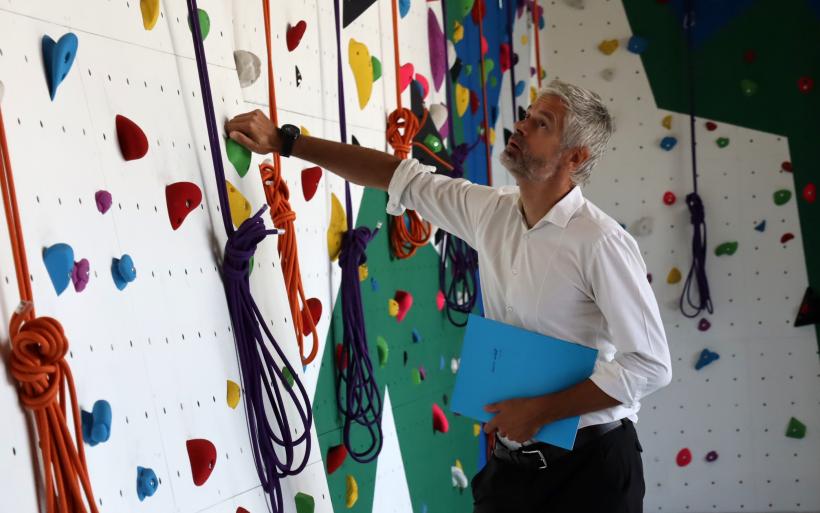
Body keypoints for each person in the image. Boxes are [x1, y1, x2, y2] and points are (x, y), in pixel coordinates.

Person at [226, 79, 672, 513]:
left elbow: (650, 365)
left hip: (591, 474)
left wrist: (539, 411)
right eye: (527, 115)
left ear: (574, 157)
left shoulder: (601, 242)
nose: (520, 125)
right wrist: (287, 143)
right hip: (512, 470)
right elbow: (398, 176)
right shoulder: (491, 211)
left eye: (541, 124)